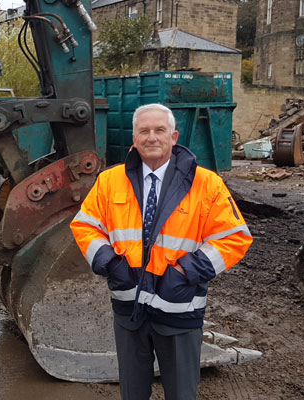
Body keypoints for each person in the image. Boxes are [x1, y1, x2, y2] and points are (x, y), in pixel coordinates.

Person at [70, 104, 253, 400]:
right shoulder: (109, 181)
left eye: (159, 130)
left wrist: (184, 273)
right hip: (128, 308)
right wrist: (111, 264)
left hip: (179, 308)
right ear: (134, 137)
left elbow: (234, 238)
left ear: (174, 136)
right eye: (144, 131)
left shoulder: (206, 185)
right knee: (132, 393)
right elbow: (84, 226)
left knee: (181, 393)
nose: (151, 137)